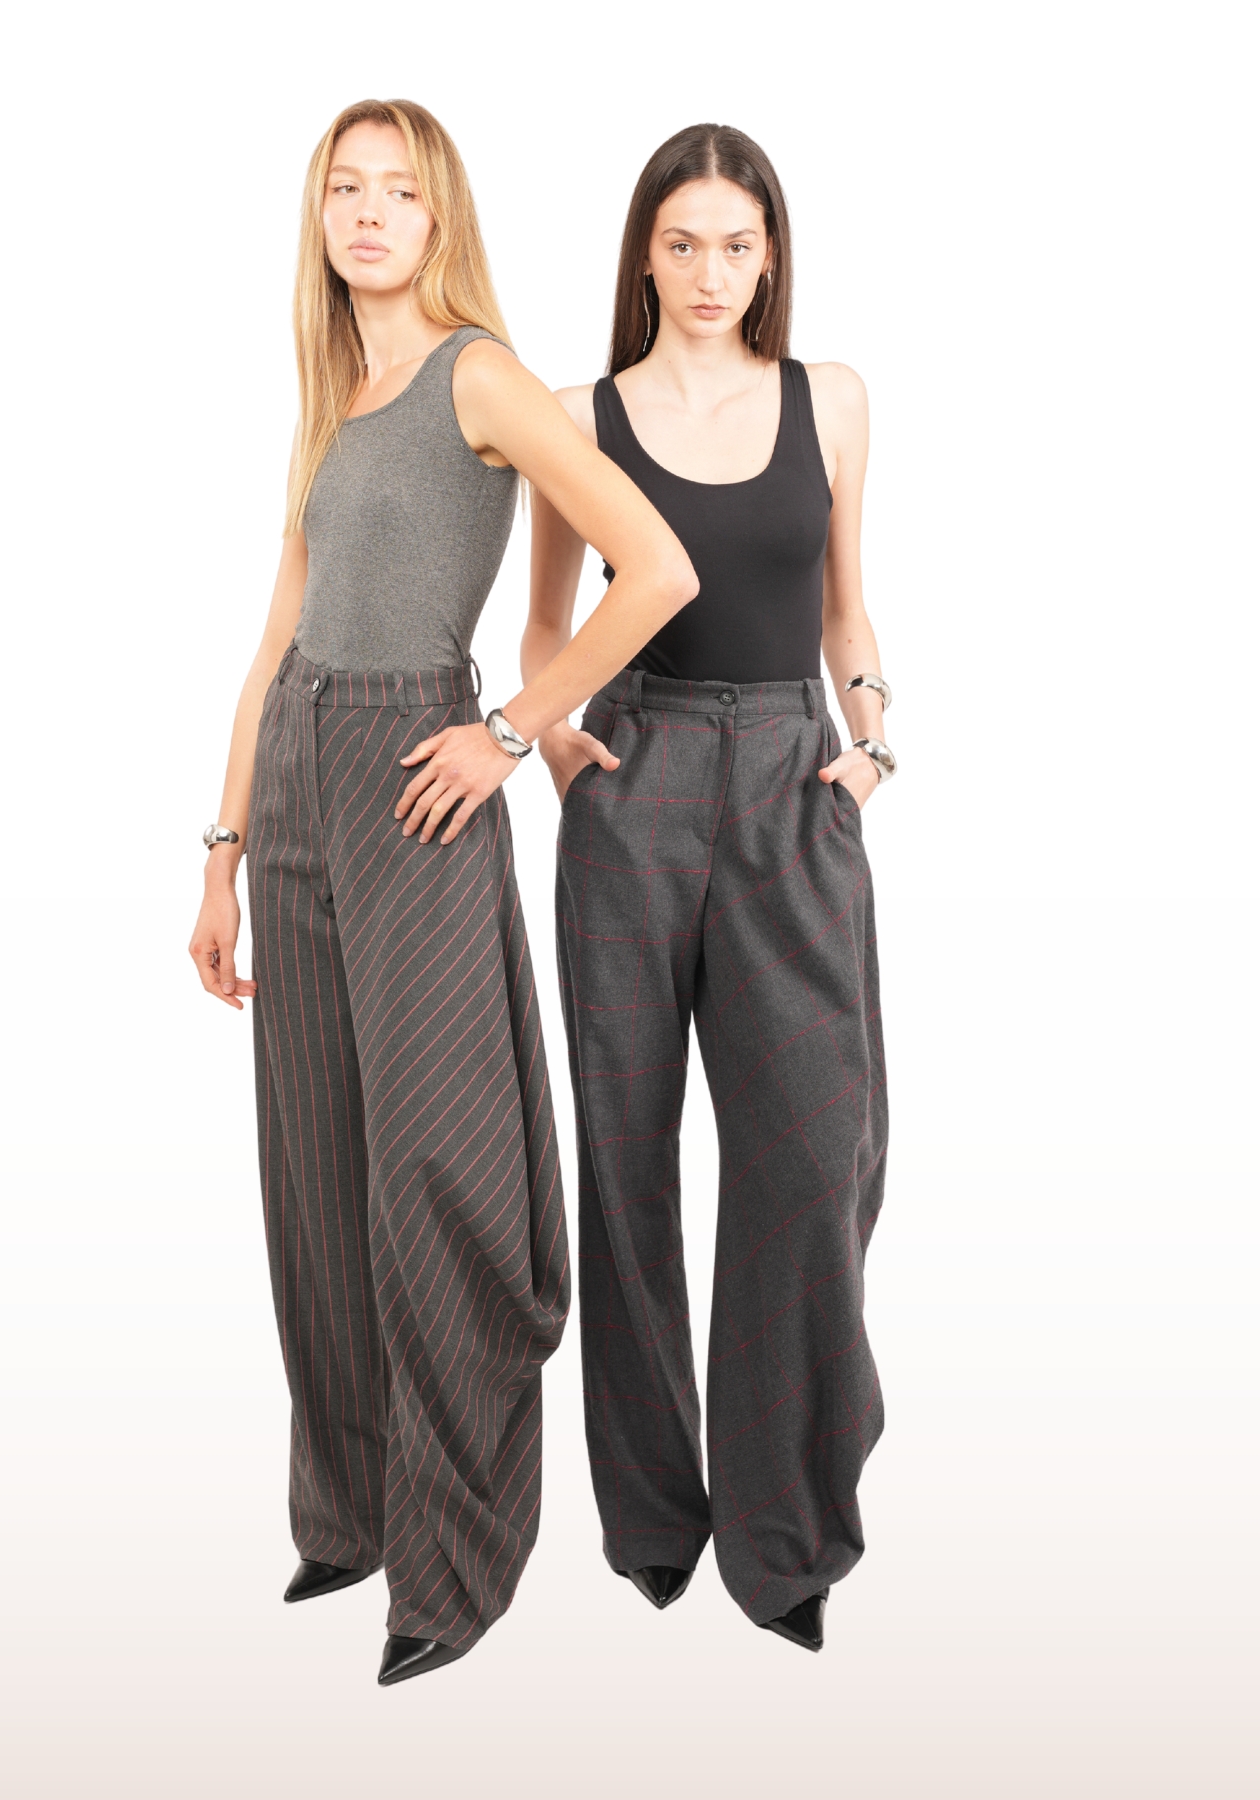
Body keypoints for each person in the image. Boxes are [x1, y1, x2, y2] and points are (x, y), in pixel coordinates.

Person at [188, 99, 696, 1687]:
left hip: (418, 769)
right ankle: (348, 1518)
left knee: (433, 1174)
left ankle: (455, 1562)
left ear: (439, 216)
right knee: (315, 1166)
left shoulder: (479, 375)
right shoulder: (331, 392)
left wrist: (509, 730)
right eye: (344, 188)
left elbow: (656, 565)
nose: (367, 213)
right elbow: (274, 640)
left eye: (397, 192)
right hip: (296, 780)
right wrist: (220, 851)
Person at [526, 123, 893, 1654]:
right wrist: (560, 752)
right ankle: (654, 1520)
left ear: (771, 256)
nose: (708, 271)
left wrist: (875, 745)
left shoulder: (832, 400)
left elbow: (847, 609)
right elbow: (546, 626)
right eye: (681, 244)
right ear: (644, 256)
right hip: (638, 779)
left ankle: (785, 1528)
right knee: (627, 1163)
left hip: (795, 783)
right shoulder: (578, 416)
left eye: (736, 245)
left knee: (815, 1157)